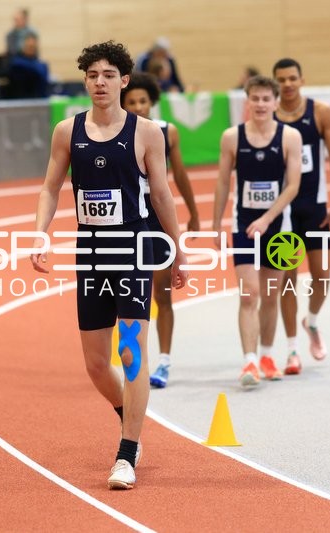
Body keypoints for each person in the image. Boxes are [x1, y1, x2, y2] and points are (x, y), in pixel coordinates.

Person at [30, 41, 188, 490]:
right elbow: (49, 187)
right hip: (92, 254)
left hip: (135, 250)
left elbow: (161, 196)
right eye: (92, 75)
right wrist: (40, 232)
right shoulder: (67, 131)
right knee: (97, 364)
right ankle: (130, 420)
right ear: (86, 81)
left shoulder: (147, 133)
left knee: (131, 353)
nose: (99, 82)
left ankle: (126, 453)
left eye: (108, 75)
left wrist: (179, 251)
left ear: (124, 80)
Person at [212, 75, 302, 388]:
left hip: (278, 227)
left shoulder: (290, 137)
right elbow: (223, 182)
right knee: (249, 293)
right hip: (243, 226)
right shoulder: (232, 138)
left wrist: (267, 218)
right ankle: (249, 360)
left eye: (267, 99)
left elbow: (293, 186)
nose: (261, 104)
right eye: (255, 99)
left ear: (276, 102)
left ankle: (267, 355)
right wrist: (215, 225)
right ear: (247, 102)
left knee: (271, 294)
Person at [120, 72, 200, 389]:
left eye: (143, 101)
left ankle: (164, 361)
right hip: (127, 222)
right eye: (131, 102)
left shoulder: (168, 132)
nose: (138, 106)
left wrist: (193, 212)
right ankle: (131, 355)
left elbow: (178, 175)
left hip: (158, 220)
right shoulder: (116, 133)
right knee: (127, 295)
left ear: (152, 102)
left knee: (161, 294)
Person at [272, 58, 330, 373]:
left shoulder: (321, 113)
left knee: (322, 276)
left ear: (302, 80)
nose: (287, 84)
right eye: (281, 80)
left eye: (292, 78)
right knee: (287, 280)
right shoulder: (268, 115)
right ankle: (291, 350)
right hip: (283, 212)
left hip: (315, 209)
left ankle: (311, 322)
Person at [7, 34, 50, 99]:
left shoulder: (41, 64)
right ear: (23, 46)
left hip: (39, 100)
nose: (31, 48)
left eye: (33, 46)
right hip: (21, 101)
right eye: (29, 46)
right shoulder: (16, 63)